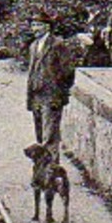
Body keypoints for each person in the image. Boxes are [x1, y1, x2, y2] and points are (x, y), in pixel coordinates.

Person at [26, 11, 76, 146]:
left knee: (50, 137)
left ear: (47, 27)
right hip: (36, 95)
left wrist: (58, 90)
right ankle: (43, 166)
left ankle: (51, 166)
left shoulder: (57, 44)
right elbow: (31, 71)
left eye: (38, 25)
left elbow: (68, 70)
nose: (35, 28)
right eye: (33, 25)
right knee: (40, 136)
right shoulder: (33, 46)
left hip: (51, 95)